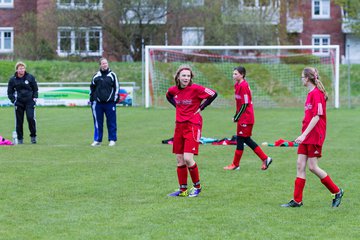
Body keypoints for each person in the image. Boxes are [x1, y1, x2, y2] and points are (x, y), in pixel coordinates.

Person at [281, 67, 344, 208]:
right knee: (300, 165)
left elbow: (317, 116)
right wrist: (303, 133)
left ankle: (337, 191)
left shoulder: (317, 94)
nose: (301, 79)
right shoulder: (309, 94)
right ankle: (297, 201)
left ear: (308, 78)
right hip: (306, 135)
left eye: (302, 77)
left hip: (315, 135)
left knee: (313, 167)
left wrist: (304, 135)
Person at [166, 65, 217, 197]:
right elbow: (168, 96)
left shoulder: (196, 89)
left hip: (193, 125)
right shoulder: (173, 90)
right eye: (183, 75)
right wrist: (176, 106)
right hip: (179, 126)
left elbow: (213, 94)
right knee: (179, 159)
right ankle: (183, 190)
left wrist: (202, 107)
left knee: (188, 158)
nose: (186, 78)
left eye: (188, 76)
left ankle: (197, 187)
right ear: (178, 77)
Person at [223, 66, 272, 171]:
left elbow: (245, 104)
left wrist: (236, 116)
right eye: (233, 74)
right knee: (246, 139)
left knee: (242, 139)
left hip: (246, 118)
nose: (233, 75)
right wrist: (236, 115)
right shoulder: (237, 85)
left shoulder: (244, 86)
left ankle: (236, 164)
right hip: (243, 117)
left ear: (242, 75)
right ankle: (265, 158)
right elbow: (239, 103)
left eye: (236, 74)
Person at [90, 57, 119, 147]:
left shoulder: (112, 75)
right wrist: (92, 99)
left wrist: (115, 99)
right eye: (103, 63)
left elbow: (117, 88)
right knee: (98, 122)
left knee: (111, 121)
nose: (105, 65)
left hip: (110, 103)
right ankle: (97, 140)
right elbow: (92, 88)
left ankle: (112, 139)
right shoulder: (96, 76)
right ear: (100, 65)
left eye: (106, 63)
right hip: (98, 104)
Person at [7, 61, 38, 144]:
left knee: (30, 118)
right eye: (20, 68)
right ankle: (20, 139)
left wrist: (35, 98)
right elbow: (10, 92)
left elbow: (35, 89)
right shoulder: (13, 80)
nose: (22, 70)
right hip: (19, 103)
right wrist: (14, 101)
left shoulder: (30, 77)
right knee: (19, 121)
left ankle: (33, 136)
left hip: (29, 102)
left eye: (23, 68)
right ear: (17, 70)